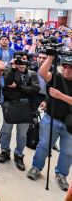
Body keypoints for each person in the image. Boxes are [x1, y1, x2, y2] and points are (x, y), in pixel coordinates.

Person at [27, 54, 72, 191]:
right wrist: (51, 57)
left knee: (68, 152)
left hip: (70, 125)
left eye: (70, 67)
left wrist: (60, 96)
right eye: (64, 66)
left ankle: (61, 175)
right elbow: (42, 73)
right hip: (51, 119)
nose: (66, 70)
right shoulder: (57, 77)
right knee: (44, 145)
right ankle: (36, 167)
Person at [0, 52, 40, 171]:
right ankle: (5, 151)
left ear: (28, 61)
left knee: (22, 135)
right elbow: (6, 86)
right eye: (18, 59)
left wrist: (18, 87)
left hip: (26, 108)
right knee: (6, 131)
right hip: (10, 105)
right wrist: (12, 68)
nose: (21, 62)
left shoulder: (32, 74)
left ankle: (18, 155)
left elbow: (35, 90)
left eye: (24, 59)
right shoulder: (8, 70)